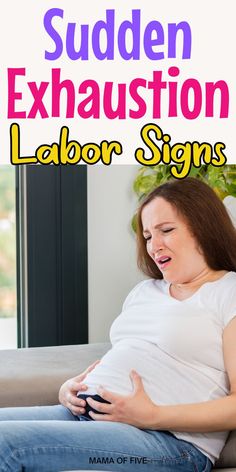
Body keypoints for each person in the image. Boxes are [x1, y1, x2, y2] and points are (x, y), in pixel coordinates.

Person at [0, 177, 236, 472]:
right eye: (148, 236)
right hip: (89, 416)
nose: (154, 245)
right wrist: (68, 389)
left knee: (5, 444)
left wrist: (153, 415)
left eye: (166, 230)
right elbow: (135, 358)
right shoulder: (145, 291)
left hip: (170, 442)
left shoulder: (228, 292)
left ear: (204, 227)